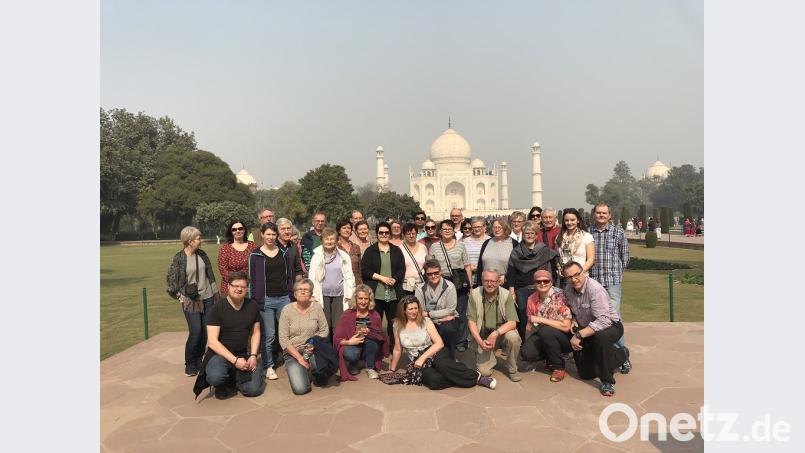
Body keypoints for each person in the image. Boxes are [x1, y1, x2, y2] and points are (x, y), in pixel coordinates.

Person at [386, 296, 496, 390]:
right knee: (434, 381)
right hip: (416, 359)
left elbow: (439, 343)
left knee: (442, 365)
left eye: (416, 308)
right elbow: (397, 349)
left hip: (433, 351)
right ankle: (460, 376)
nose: (414, 311)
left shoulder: (425, 321)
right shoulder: (397, 325)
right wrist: (392, 370)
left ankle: (478, 377)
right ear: (403, 310)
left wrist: (422, 358)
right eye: (410, 309)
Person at [562, 262, 628, 397]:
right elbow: (573, 311)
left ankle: (607, 381)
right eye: (569, 277)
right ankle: (616, 355)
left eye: (576, 274)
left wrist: (579, 335)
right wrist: (574, 320)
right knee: (586, 374)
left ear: (584, 272)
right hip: (587, 328)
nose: (574, 279)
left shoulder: (595, 289)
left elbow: (604, 320)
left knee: (601, 338)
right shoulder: (568, 290)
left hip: (610, 326)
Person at [199, 271, 265, 399]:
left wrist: (253, 355)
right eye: (235, 286)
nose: (239, 289)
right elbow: (212, 342)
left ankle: (234, 378)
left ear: (247, 288)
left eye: (243, 287)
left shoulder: (252, 305)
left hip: (242, 354)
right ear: (228, 286)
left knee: (253, 390)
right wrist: (234, 361)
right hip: (220, 355)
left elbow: (256, 332)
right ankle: (221, 383)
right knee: (216, 376)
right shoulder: (216, 309)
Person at [166, 226, 219, 377]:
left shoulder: (202, 254)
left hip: (208, 297)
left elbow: (211, 275)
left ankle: (199, 360)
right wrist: (179, 297)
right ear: (189, 241)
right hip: (191, 301)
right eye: (198, 238)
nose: (200, 240)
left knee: (205, 333)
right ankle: (190, 363)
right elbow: (170, 282)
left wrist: (216, 296)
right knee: (195, 332)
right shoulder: (179, 258)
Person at [248, 222, 293, 380]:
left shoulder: (284, 252)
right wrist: (254, 301)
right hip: (265, 300)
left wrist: (291, 295)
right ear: (262, 234)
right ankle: (268, 366)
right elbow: (252, 281)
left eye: (273, 234)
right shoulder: (255, 255)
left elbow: (289, 277)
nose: (271, 237)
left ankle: (291, 361)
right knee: (269, 335)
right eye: (268, 234)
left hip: (284, 298)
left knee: (288, 333)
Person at [589, 203, 630, 356]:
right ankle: (598, 354)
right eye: (598, 213)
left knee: (615, 319)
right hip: (594, 282)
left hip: (612, 281)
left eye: (604, 213)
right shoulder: (588, 233)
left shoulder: (618, 233)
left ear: (609, 215)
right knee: (595, 317)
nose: (601, 215)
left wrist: (617, 274)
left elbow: (625, 257)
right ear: (594, 214)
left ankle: (621, 355)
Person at [506, 220, 558, 342]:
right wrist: (512, 291)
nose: (529, 235)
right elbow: (512, 272)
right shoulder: (516, 251)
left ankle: (542, 343)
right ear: (522, 234)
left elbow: (553, 272)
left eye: (532, 233)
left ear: (536, 235)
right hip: (522, 290)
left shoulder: (544, 250)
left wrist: (550, 288)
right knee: (525, 318)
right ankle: (527, 343)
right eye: (526, 233)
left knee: (543, 316)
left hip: (542, 289)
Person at [467, 269, 522, 382]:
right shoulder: (474, 294)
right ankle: (491, 358)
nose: (490, 284)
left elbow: (513, 322)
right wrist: (479, 342)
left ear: (498, 282)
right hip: (483, 337)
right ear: (481, 281)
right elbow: (471, 321)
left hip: (500, 334)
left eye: (493, 281)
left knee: (513, 337)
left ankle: (512, 368)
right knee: (484, 372)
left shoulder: (506, 294)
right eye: (486, 281)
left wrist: (495, 334)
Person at [278, 278, 331, 395]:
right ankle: (302, 371)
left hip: (313, 348)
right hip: (293, 351)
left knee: (322, 366)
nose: (302, 292)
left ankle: (318, 372)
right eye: (300, 289)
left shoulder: (316, 307)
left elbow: (324, 330)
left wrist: (313, 344)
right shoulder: (286, 310)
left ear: (311, 294)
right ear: (295, 293)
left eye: (306, 290)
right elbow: (283, 339)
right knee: (301, 389)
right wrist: (300, 358)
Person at [427, 220, 473, 352]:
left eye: (449, 229)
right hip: (441, 283)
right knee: (443, 312)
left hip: (459, 282)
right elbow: (430, 267)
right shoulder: (435, 247)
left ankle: (461, 340)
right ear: (440, 231)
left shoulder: (461, 246)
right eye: (444, 229)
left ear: (454, 231)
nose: (447, 231)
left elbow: (467, 265)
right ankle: (444, 339)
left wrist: (470, 285)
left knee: (461, 312)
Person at [520, 270, 572, 382]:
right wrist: (527, 343)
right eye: (538, 281)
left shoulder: (560, 296)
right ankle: (549, 358)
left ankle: (558, 367)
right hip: (543, 334)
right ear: (534, 284)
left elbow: (566, 326)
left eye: (546, 281)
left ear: (551, 282)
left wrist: (540, 319)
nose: (542, 284)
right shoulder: (531, 299)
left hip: (563, 336)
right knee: (526, 352)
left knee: (546, 332)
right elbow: (530, 325)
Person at [361, 221, 406, 344]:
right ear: (377, 234)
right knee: (375, 324)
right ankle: (376, 349)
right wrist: (382, 278)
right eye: (381, 232)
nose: (384, 234)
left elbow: (402, 269)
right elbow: (365, 270)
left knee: (393, 324)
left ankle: (392, 348)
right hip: (376, 294)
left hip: (393, 293)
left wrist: (394, 279)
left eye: (386, 232)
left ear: (390, 234)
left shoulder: (396, 250)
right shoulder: (370, 251)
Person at [333, 284, 389, 380]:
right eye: (360, 298)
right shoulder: (347, 314)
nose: (363, 302)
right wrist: (349, 342)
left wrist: (370, 333)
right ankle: (353, 364)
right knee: (351, 354)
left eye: (366, 299)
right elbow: (337, 338)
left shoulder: (375, 315)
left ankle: (370, 367)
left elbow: (381, 336)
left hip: (368, 346)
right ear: (355, 299)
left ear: (370, 300)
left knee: (373, 344)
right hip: (352, 346)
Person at [308, 227, 356, 338]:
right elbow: (312, 277)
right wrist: (313, 295)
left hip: (340, 295)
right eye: (327, 239)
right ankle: (326, 352)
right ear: (322, 240)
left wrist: (350, 295)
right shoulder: (316, 257)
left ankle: (337, 350)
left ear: (336, 240)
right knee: (325, 326)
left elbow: (349, 277)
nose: (329, 241)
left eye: (332, 239)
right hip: (322, 295)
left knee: (337, 325)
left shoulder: (343, 256)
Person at [414, 259, 459, 359]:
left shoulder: (450, 286)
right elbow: (420, 312)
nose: (433, 276)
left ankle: (451, 357)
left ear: (440, 271)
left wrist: (430, 314)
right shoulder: (420, 289)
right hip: (430, 321)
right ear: (426, 274)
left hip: (446, 321)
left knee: (448, 329)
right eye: (430, 274)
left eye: (436, 273)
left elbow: (451, 309)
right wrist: (438, 318)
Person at [218, 219, 258, 295]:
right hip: (231, 288)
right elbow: (223, 270)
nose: (237, 231)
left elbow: (257, 267)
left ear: (244, 230)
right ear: (231, 232)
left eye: (240, 228)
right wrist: (239, 285)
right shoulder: (225, 248)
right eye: (234, 229)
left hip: (249, 288)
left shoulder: (253, 246)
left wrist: (247, 284)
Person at [475, 218, 517, 287]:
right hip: (486, 285)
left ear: (505, 228)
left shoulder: (514, 243)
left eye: (499, 227)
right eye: (495, 227)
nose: (497, 230)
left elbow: (516, 266)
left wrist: (506, 277)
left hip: (504, 285)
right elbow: (480, 265)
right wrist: (479, 284)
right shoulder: (487, 242)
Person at [556, 208, 595, 282]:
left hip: (580, 277)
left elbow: (591, 259)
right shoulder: (559, 237)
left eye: (572, 220)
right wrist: (560, 269)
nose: (569, 222)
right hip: (564, 279)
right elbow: (558, 257)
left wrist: (577, 273)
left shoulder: (586, 236)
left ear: (578, 220)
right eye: (566, 220)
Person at [400, 222, 427, 296]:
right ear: (404, 235)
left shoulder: (423, 247)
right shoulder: (399, 249)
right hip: (405, 285)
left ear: (417, 234)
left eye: (413, 233)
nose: (411, 236)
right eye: (408, 234)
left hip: (421, 284)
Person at [336, 219, 362, 285]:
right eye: (344, 228)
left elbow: (359, 268)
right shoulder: (335, 247)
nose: (347, 230)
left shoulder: (356, 247)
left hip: (355, 283)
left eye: (349, 228)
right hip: (340, 283)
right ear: (339, 230)